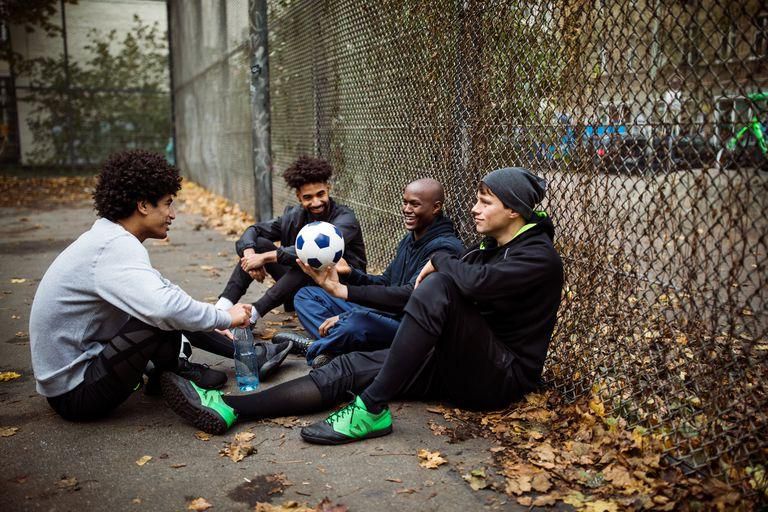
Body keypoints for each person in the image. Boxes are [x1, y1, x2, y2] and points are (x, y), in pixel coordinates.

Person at [160, 167, 564, 446]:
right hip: (460, 362)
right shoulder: (489, 249)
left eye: (485, 202)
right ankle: (230, 407)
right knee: (349, 367)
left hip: (500, 376)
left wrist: (442, 262)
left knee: (438, 285)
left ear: (513, 209)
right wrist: (342, 290)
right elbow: (407, 294)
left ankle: (371, 409)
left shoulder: (536, 255)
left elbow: (472, 284)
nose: (475, 209)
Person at [28, 150, 263, 421]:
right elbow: (163, 308)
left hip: (78, 376)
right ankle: (175, 371)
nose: (173, 214)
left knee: (167, 305)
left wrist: (214, 321)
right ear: (142, 205)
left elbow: (164, 289)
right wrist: (224, 316)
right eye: (167, 204)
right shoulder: (113, 246)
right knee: (160, 315)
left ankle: (175, 371)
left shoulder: (108, 238)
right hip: (75, 394)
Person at [273, 178, 463, 367]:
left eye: (415, 204)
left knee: (356, 322)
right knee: (306, 295)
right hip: (388, 312)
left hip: (410, 326)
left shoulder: (444, 248)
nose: (406, 209)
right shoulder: (410, 239)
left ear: (436, 207)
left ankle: (315, 347)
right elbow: (386, 282)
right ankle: (337, 344)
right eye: (405, 202)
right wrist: (351, 274)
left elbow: (409, 296)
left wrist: (347, 305)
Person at [213, 156, 367, 326]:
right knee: (259, 245)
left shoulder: (345, 218)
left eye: (320, 194)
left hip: (340, 292)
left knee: (309, 261)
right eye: (308, 197)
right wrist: (250, 256)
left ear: (328, 189)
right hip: (302, 287)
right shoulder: (293, 216)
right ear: (299, 197)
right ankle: (221, 310)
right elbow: (253, 230)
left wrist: (264, 258)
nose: (316, 202)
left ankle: (253, 314)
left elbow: (312, 254)